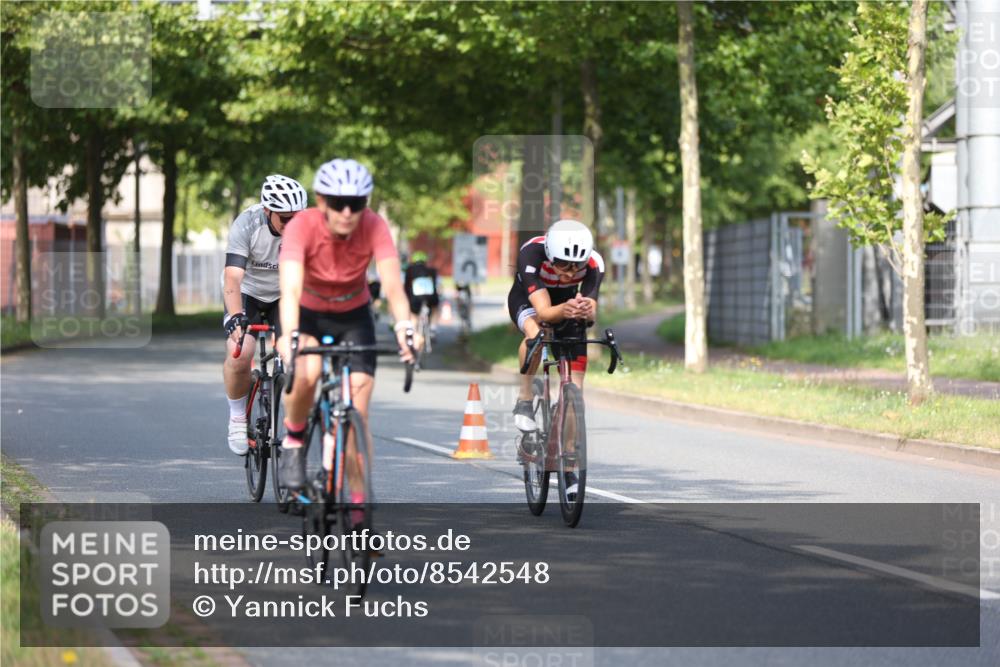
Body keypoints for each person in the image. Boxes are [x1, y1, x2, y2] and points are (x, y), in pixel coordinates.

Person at [276, 158, 415, 491]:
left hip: (354, 316)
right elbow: (290, 288)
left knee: (357, 416)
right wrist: (291, 336)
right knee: (306, 373)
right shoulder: (302, 226)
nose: (348, 212)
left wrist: (405, 328)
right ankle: (294, 440)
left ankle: (357, 514)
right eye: (339, 203)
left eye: (357, 204)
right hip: (308, 312)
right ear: (322, 201)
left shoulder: (374, 226)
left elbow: (393, 286)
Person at [507, 220, 605, 500]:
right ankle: (525, 400)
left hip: (568, 306)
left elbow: (592, 313)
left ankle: (571, 463)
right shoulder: (531, 254)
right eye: (563, 265)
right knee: (536, 333)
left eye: (577, 266)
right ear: (551, 255)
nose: (570, 272)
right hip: (532, 302)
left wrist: (586, 310)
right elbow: (546, 312)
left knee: (577, 390)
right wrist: (567, 308)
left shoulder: (595, 264)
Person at [222, 174, 307, 456]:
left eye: (297, 217)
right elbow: (232, 278)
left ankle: (292, 420)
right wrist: (236, 317)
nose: (291, 224)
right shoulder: (247, 224)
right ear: (267, 210)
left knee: (295, 352)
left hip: (284, 294)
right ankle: (237, 417)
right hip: (248, 293)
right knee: (241, 351)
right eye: (285, 218)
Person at [403, 251, 440, 338]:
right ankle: (433, 328)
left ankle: (412, 330)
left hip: (415, 297)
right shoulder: (432, 271)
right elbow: (435, 285)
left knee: (413, 313)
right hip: (431, 296)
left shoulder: (409, 270)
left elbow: (406, 286)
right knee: (435, 308)